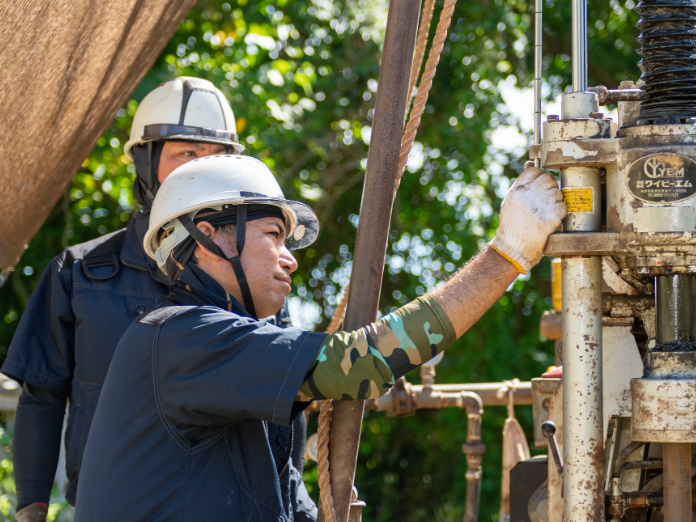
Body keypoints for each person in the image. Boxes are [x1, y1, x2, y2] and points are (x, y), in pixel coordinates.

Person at [74, 154, 566, 522]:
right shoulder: (179, 337)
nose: (289, 258)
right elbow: (361, 362)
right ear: (211, 237)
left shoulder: (217, 355)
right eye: (273, 235)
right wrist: (506, 256)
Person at [1, 77, 263, 522]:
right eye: (186, 154)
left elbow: (281, 397)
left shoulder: (253, 278)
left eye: (216, 159)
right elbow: (41, 397)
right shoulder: (79, 273)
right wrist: (31, 509)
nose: (201, 171)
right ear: (145, 163)